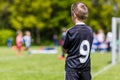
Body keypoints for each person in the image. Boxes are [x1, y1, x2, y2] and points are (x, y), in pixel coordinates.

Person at [63, 2, 93, 80]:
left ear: (74, 14)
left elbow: (65, 50)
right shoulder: (90, 30)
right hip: (86, 68)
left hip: (72, 69)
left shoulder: (71, 31)